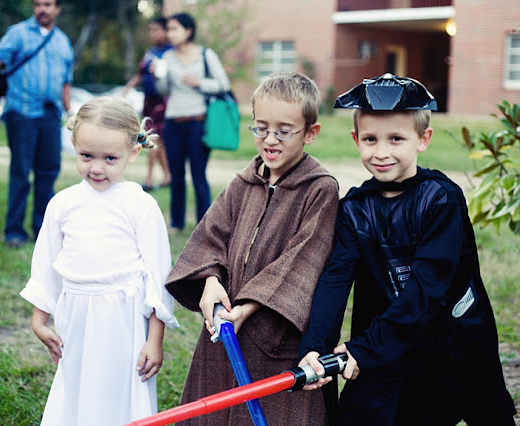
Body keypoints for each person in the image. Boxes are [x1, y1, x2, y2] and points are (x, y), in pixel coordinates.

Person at [298, 74, 517, 425]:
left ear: (423, 139)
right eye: (370, 139)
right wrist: (316, 345)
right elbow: (335, 280)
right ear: (356, 139)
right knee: (357, 416)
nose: (381, 152)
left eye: (396, 139)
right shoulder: (354, 209)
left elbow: (429, 288)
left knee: (489, 414)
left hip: (455, 341)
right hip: (389, 343)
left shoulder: (440, 199)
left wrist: (365, 348)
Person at [165, 71, 340, 425]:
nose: (270, 140)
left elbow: (303, 259)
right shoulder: (243, 183)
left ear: (310, 132)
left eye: (284, 131)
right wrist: (211, 282)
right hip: (226, 328)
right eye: (261, 128)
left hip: (276, 338)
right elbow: (211, 237)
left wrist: (249, 307)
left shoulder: (320, 190)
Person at [19, 97, 180, 425]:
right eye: (86, 156)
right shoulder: (62, 204)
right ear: (74, 145)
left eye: (110, 158)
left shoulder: (140, 206)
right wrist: (39, 321)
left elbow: (158, 276)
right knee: (79, 387)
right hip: (76, 315)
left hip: (123, 319)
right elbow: (47, 266)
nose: (96, 167)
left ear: (133, 152)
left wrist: (155, 339)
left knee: (119, 390)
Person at [0, 0, 74, 249]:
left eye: (48, 4)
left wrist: (70, 112)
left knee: (48, 174)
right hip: (22, 112)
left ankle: (43, 230)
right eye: (38, 4)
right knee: (21, 172)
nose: (42, 9)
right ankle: (14, 231)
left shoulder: (63, 41)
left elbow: (66, 81)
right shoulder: (18, 33)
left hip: (51, 116)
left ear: (57, 9)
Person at [155, 12, 231, 231]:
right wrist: (158, 76)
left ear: (188, 31)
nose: (169, 34)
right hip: (173, 122)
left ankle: (203, 225)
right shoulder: (167, 57)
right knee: (177, 176)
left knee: (198, 175)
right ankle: (177, 223)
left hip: (198, 122)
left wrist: (198, 82)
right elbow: (163, 91)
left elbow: (223, 84)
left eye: (174, 29)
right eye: (168, 29)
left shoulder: (206, 54)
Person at [124, 16, 172, 192]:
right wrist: (127, 88)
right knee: (157, 141)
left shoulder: (171, 53)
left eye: (156, 30)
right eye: (151, 30)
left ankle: (149, 178)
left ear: (166, 31)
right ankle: (167, 176)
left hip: (162, 101)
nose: (153, 34)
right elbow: (140, 74)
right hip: (148, 101)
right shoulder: (150, 52)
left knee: (153, 138)